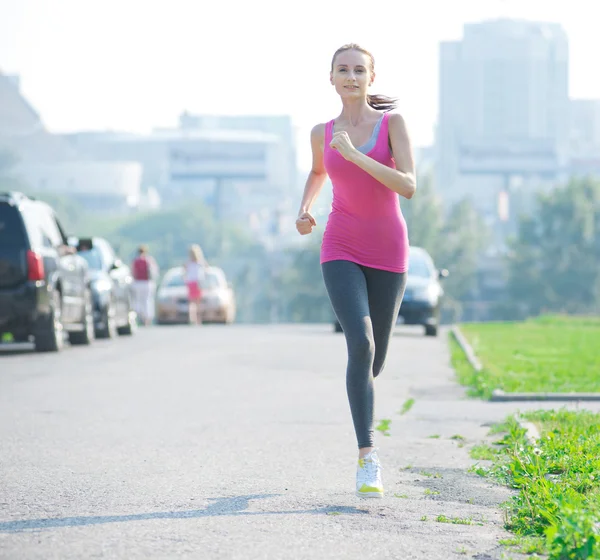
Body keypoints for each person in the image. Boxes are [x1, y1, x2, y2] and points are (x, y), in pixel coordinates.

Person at [295, 44, 416, 499]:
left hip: (388, 249)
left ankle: (362, 388)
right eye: (342, 70)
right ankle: (368, 457)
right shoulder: (321, 132)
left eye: (358, 70)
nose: (350, 76)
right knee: (360, 343)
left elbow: (408, 186)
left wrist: (356, 155)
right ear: (331, 78)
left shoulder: (393, 124)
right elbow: (316, 171)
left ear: (371, 77)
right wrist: (304, 208)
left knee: (374, 360)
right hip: (340, 245)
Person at [131, 245, 159, 326]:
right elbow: (155, 272)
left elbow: (133, 272)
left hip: (138, 283)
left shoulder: (135, 261)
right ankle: (147, 319)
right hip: (147, 283)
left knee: (138, 301)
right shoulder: (149, 260)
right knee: (147, 300)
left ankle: (140, 317)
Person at [184, 244, 208, 325]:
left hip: (191, 283)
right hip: (198, 283)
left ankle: (192, 319)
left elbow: (184, 271)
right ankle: (198, 320)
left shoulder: (188, 262)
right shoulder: (200, 262)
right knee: (198, 303)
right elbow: (206, 269)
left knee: (191, 302)